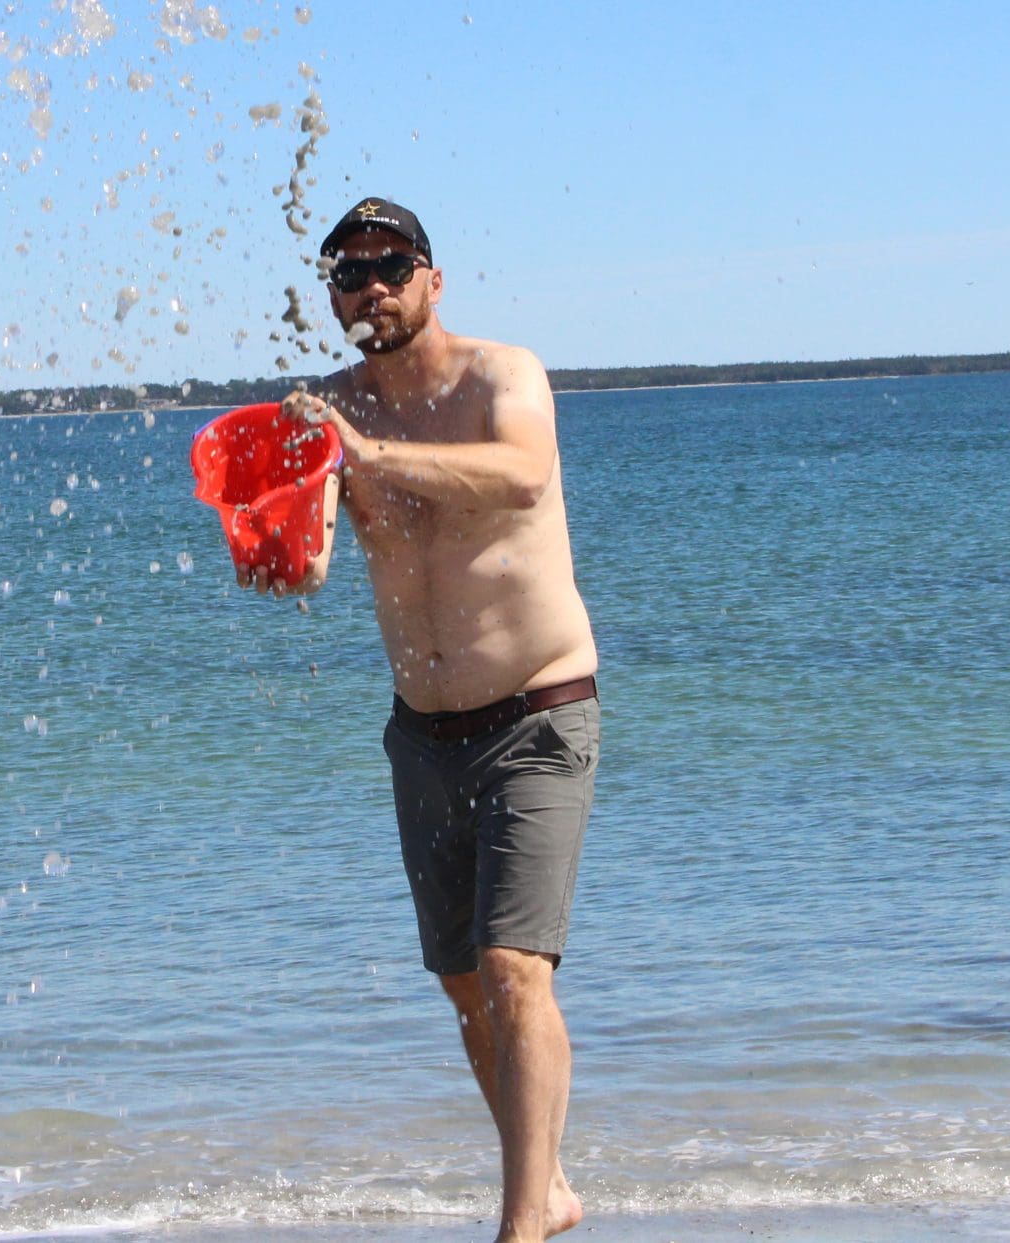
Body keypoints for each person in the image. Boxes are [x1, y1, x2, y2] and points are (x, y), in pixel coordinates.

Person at [238, 196, 601, 1243]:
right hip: (421, 729)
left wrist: (372, 456)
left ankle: (520, 1226)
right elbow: (304, 554)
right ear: (332, 296)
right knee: (462, 987)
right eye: (348, 272)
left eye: (391, 265)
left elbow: (523, 474)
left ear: (433, 281)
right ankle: (553, 1185)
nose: (371, 287)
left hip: (538, 708)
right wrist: (279, 553)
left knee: (512, 968)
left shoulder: (501, 377)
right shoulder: (326, 413)